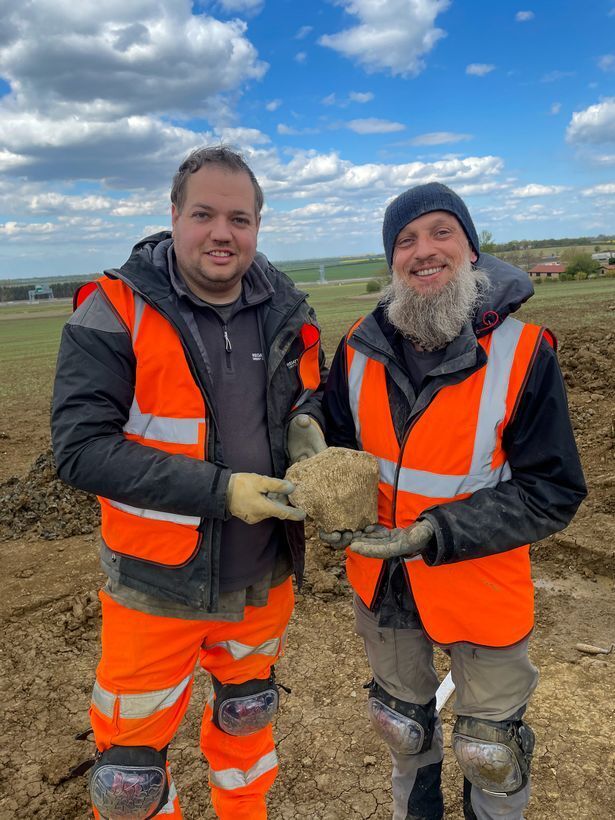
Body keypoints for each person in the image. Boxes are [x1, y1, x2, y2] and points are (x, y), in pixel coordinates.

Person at [51, 145, 327, 820]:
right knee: (130, 781)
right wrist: (221, 489)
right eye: (203, 214)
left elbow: (309, 404)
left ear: (258, 225)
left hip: (260, 580)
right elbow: (81, 450)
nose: (221, 233)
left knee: (245, 727)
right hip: (154, 587)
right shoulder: (113, 309)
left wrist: (310, 430)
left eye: (238, 217)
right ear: (173, 216)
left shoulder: (288, 309)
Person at [322, 182, 586, 820]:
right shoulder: (358, 347)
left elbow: (553, 491)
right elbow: (335, 453)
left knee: (490, 750)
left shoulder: (524, 353)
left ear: (471, 248)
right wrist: (325, 497)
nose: (423, 251)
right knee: (402, 729)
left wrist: (434, 532)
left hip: (480, 581)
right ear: (392, 263)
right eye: (405, 241)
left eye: (441, 232)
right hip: (384, 583)